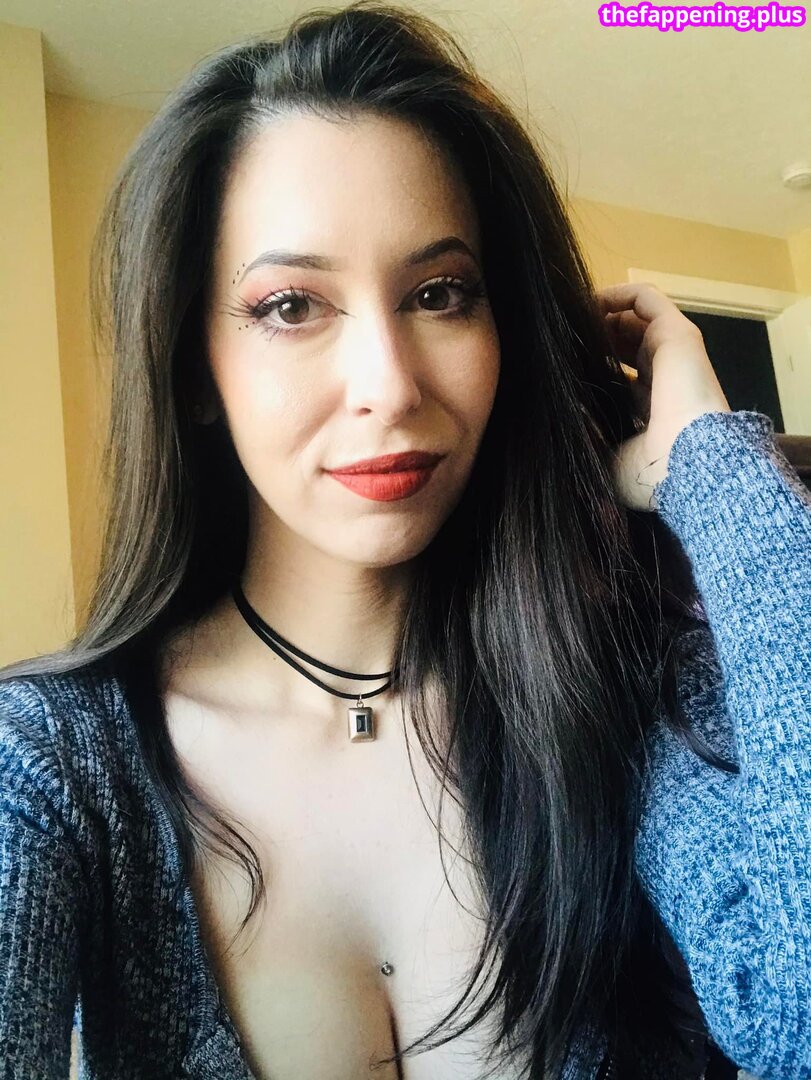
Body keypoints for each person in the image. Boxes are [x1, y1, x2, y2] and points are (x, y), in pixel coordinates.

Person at [1, 2, 809, 1078]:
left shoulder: (612, 694)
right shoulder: (51, 766)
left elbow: (795, 1010)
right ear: (194, 366)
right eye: (291, 306)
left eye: (438, 294)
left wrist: (717, 474)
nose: (388, 385)